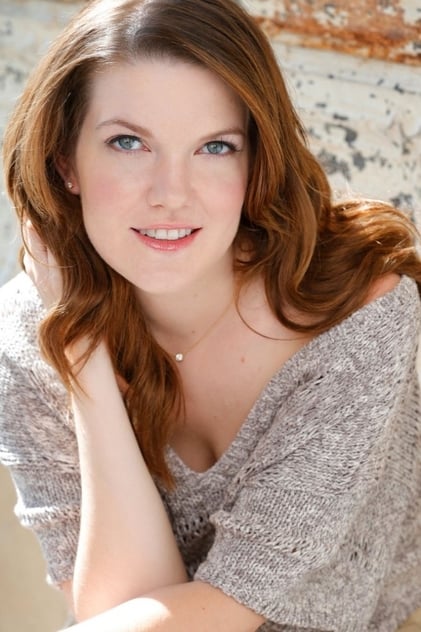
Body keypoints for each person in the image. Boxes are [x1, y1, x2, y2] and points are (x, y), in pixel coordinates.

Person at [1, 0, 421, 630]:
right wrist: (83, 361)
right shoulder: (31, 332)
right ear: (66, 162)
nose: (171, 193)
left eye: (215, 147)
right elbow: (116, 607)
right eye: (128, 142)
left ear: (256, 164)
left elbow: (229, 607)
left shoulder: (358, 318)